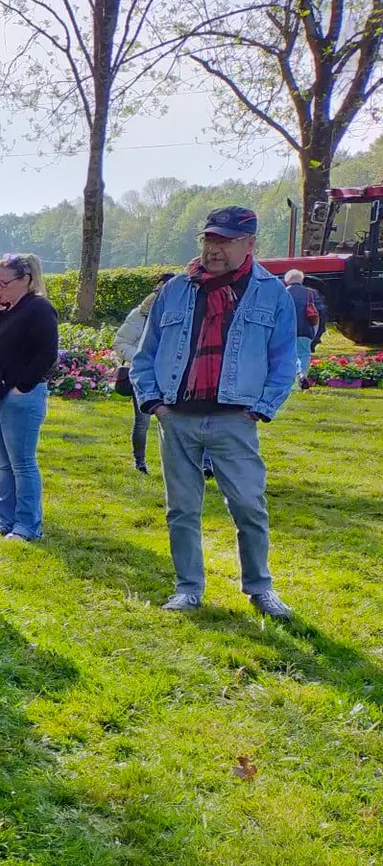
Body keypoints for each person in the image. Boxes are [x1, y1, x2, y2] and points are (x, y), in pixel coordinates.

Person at [131, 206, 298, 618]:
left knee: (248, 506)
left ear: (249, 244)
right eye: (209, 239)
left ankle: (259, 588)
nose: (214, 249)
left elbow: (284, 361)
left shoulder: (272, 293)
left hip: (234, 421)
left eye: (225, 241)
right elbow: (143, 356)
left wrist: (258, 410)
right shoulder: (174, 290)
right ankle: (188, 588)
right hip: (178, 419)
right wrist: (155, 404)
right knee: (181, 509)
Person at [0, 253, 59, 542]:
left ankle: (27, 524)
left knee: (22, 463)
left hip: (20, 396)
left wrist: (22, 386)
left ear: (26, 280)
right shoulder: (6, 307)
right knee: (2, 461)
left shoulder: (38, 309)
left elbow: (47, 352)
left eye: (5, 282)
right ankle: (4, 518)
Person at [114, 273, 176, 474]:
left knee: (177, 424)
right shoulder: (139, 315)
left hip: (175, 377)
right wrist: (144, 358)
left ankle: (181, 465)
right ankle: (139, 462)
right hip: (143, 375)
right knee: (142, 422)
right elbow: (121, 343)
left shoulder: (186, 314)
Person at [285, 269, 322, 387]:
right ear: (301, 280)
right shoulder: (311, 293)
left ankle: (291, 380)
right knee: (304, 353)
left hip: (287, 330)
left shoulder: (283, 293)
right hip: (305, 329)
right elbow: (319, 312)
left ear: (287, 280)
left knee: (288, 354)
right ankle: (302, 375)